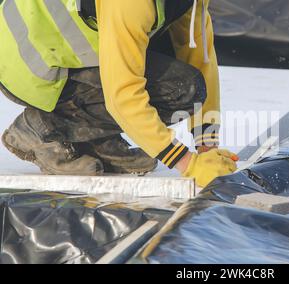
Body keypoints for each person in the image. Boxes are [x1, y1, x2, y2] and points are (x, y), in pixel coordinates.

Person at [0, 0, 237, 187]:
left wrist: (207, 146)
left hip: (67, 51)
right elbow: (123, 94)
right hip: (27, 62)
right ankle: (43, 127)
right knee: (178, 89)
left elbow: (197, 55)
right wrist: (187, 164)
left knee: (187, 83)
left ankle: (95, 141)